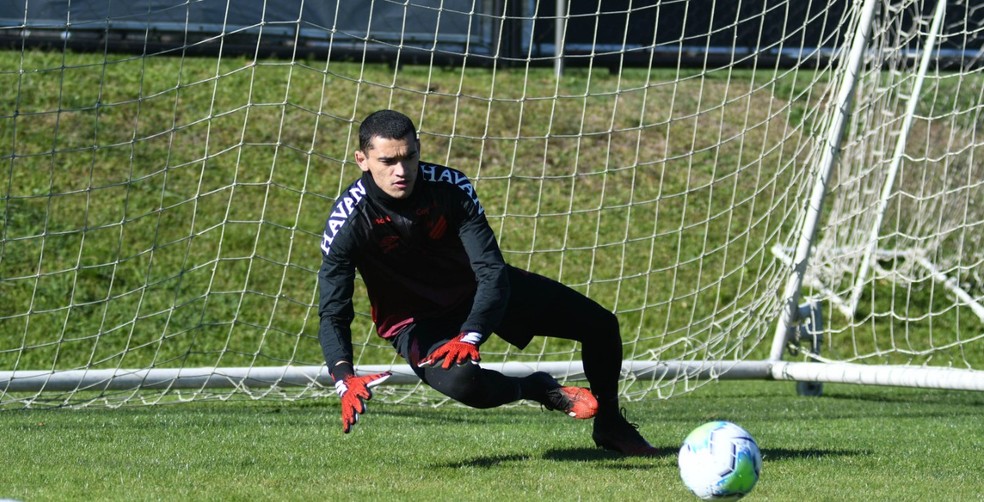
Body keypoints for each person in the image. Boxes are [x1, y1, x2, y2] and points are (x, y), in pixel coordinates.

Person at [318, 109, 658, 456]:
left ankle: (611, 425)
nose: (401, 171)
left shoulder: (451, 188)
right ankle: (537, 389)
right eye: (387, 161)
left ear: (418, 147)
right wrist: (343, 375)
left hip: (478, 293)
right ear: (362, 159)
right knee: (465, 384)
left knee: (600, 324)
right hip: (418, 323)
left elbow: (491, 270)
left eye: (409, 157)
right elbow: (333, 312)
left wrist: (472, 332)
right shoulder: (347, 223)